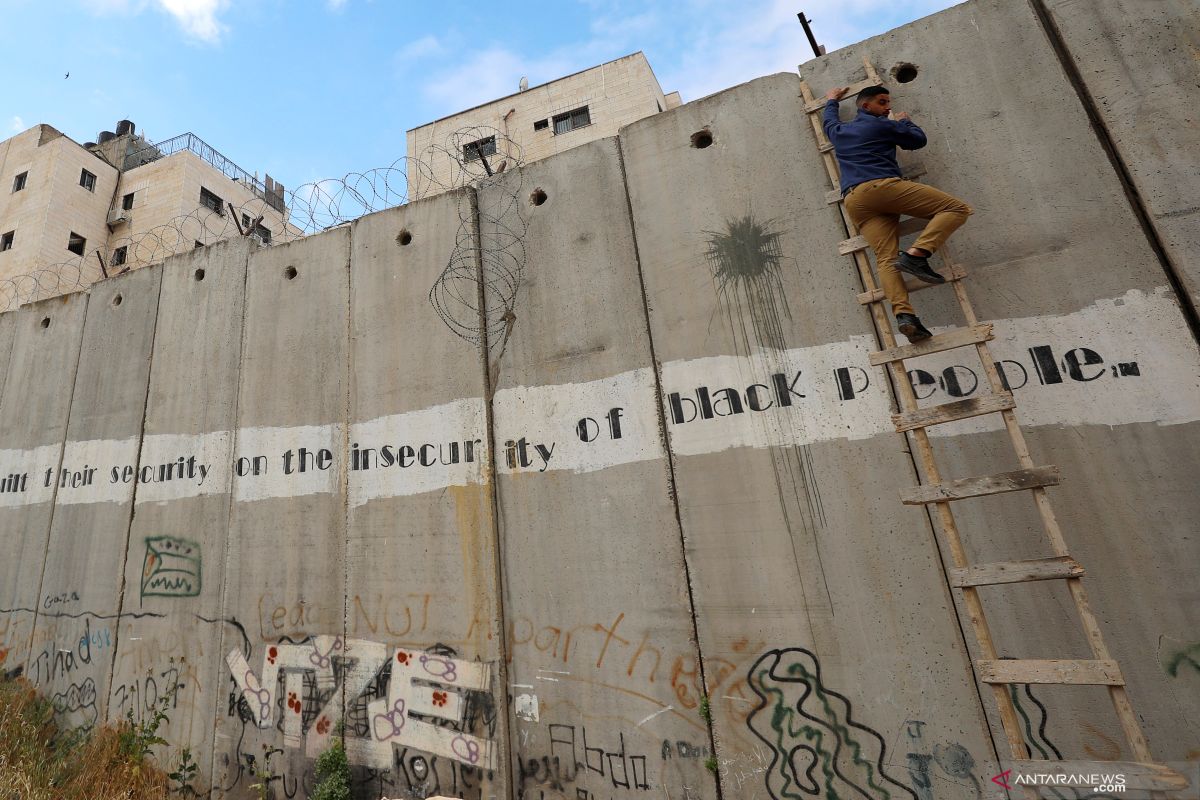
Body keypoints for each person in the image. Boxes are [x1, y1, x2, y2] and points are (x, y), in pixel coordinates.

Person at [823, 85, 972, 343]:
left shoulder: (839, 132)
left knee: (885, 259)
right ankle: (917, 255)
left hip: (854, 200)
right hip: (881, 186)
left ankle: (905, 317)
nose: (888, 107)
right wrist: (906, 122)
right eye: (882, 102)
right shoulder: (882, 125)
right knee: (957, 208)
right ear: (865, 106)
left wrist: (831, 101)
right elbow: (918, 141)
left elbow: (828, 122)